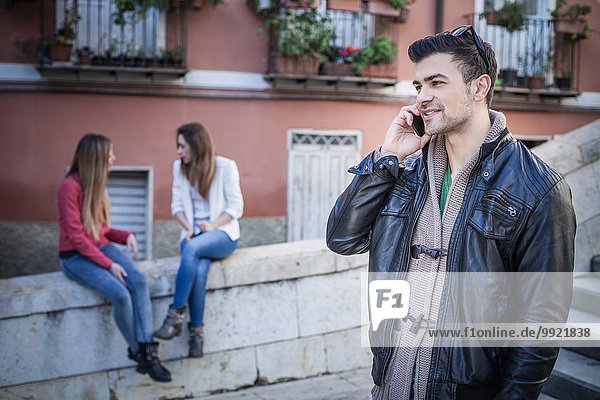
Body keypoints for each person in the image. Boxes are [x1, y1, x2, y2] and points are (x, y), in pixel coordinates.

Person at [327, 25, 576, 399]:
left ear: (479, 87)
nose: (421, 98)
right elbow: (342, 239)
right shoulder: (403, 170)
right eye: (418, 87)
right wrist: (386, 157)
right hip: (390, 384)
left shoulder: (539, 189)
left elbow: (541, 324)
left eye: (436, 83)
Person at [57, 133, 171, 382]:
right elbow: (77, 238)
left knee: (139, 282)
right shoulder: (70, 187)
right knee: (120, 294)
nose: (114, 158)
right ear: (96, 158)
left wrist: (126, 235)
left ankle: (149, 352)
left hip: (100, 247)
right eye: (110, 154)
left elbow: (101, 231)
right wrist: (109, 265)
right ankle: (138, 351)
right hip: (74, 257)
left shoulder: (95, 186)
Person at [155, 122, 243, 358]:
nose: (179, 151)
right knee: (200, 271)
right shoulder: (178, 168)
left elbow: (236, 207)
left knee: (192, 250)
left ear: (196, 145)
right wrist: (187, 227)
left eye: (182, 146)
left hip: (222, 234)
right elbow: (176, 207)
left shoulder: (225, 166)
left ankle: (175, 316)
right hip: (192, 234)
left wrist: (212, 226)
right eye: (178, 146)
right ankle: (196, 336)